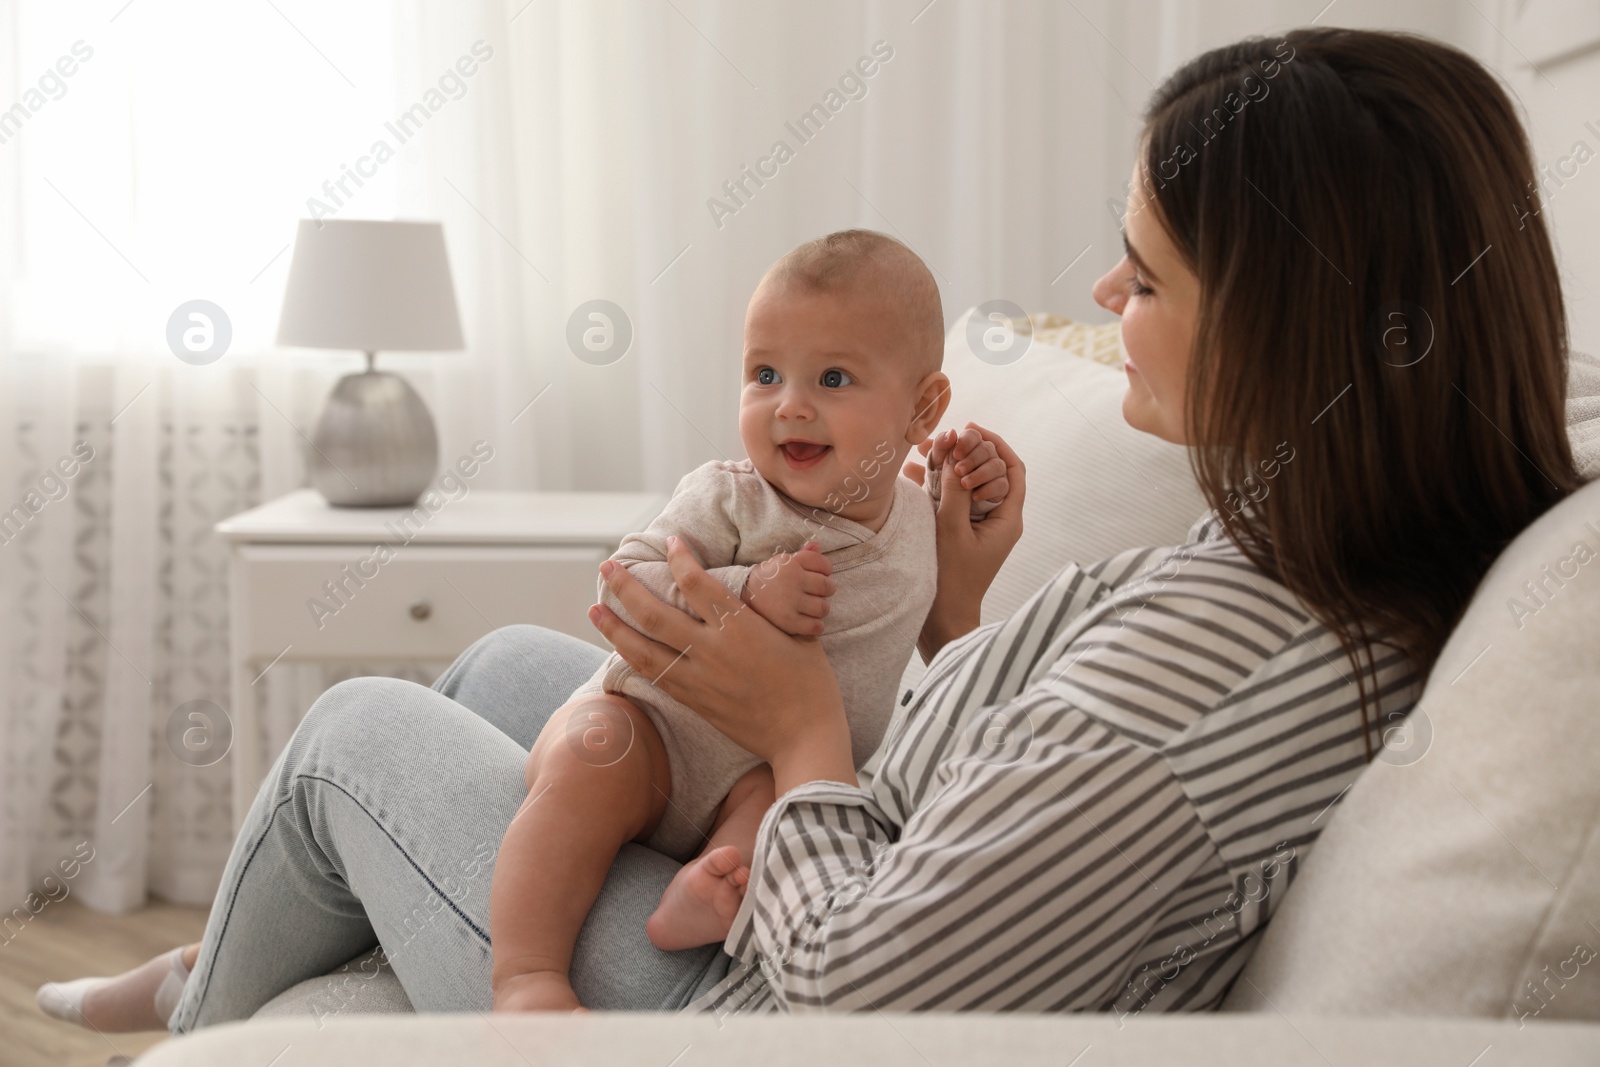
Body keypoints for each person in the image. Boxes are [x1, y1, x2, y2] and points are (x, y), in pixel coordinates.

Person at [35, 26, 1583, 1031]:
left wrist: (791, 727)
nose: (1109, 302)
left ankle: (213, 1001)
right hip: (830, 861)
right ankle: (279, 947)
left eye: (1150, 277)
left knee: (352, 731)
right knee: (518, 663)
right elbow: (1032, 783)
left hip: (757, 1003)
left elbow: (872, 987)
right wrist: (965, 607)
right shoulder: (1305, 559)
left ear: (1295, 326)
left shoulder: (1227, 662)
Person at [492, 230, 1008, 1013]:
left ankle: (709, 885)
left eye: (833, 377)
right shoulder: (733, 496)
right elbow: (627, 576)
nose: (790, 404)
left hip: (765, 779)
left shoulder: (920, 523)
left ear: (924, 408)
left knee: (785, 803)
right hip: (650, 740)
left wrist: (979, 480)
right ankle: (526, 974)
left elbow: (954, 650)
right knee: (587, 756)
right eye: (764, 374)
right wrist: (743, 587)